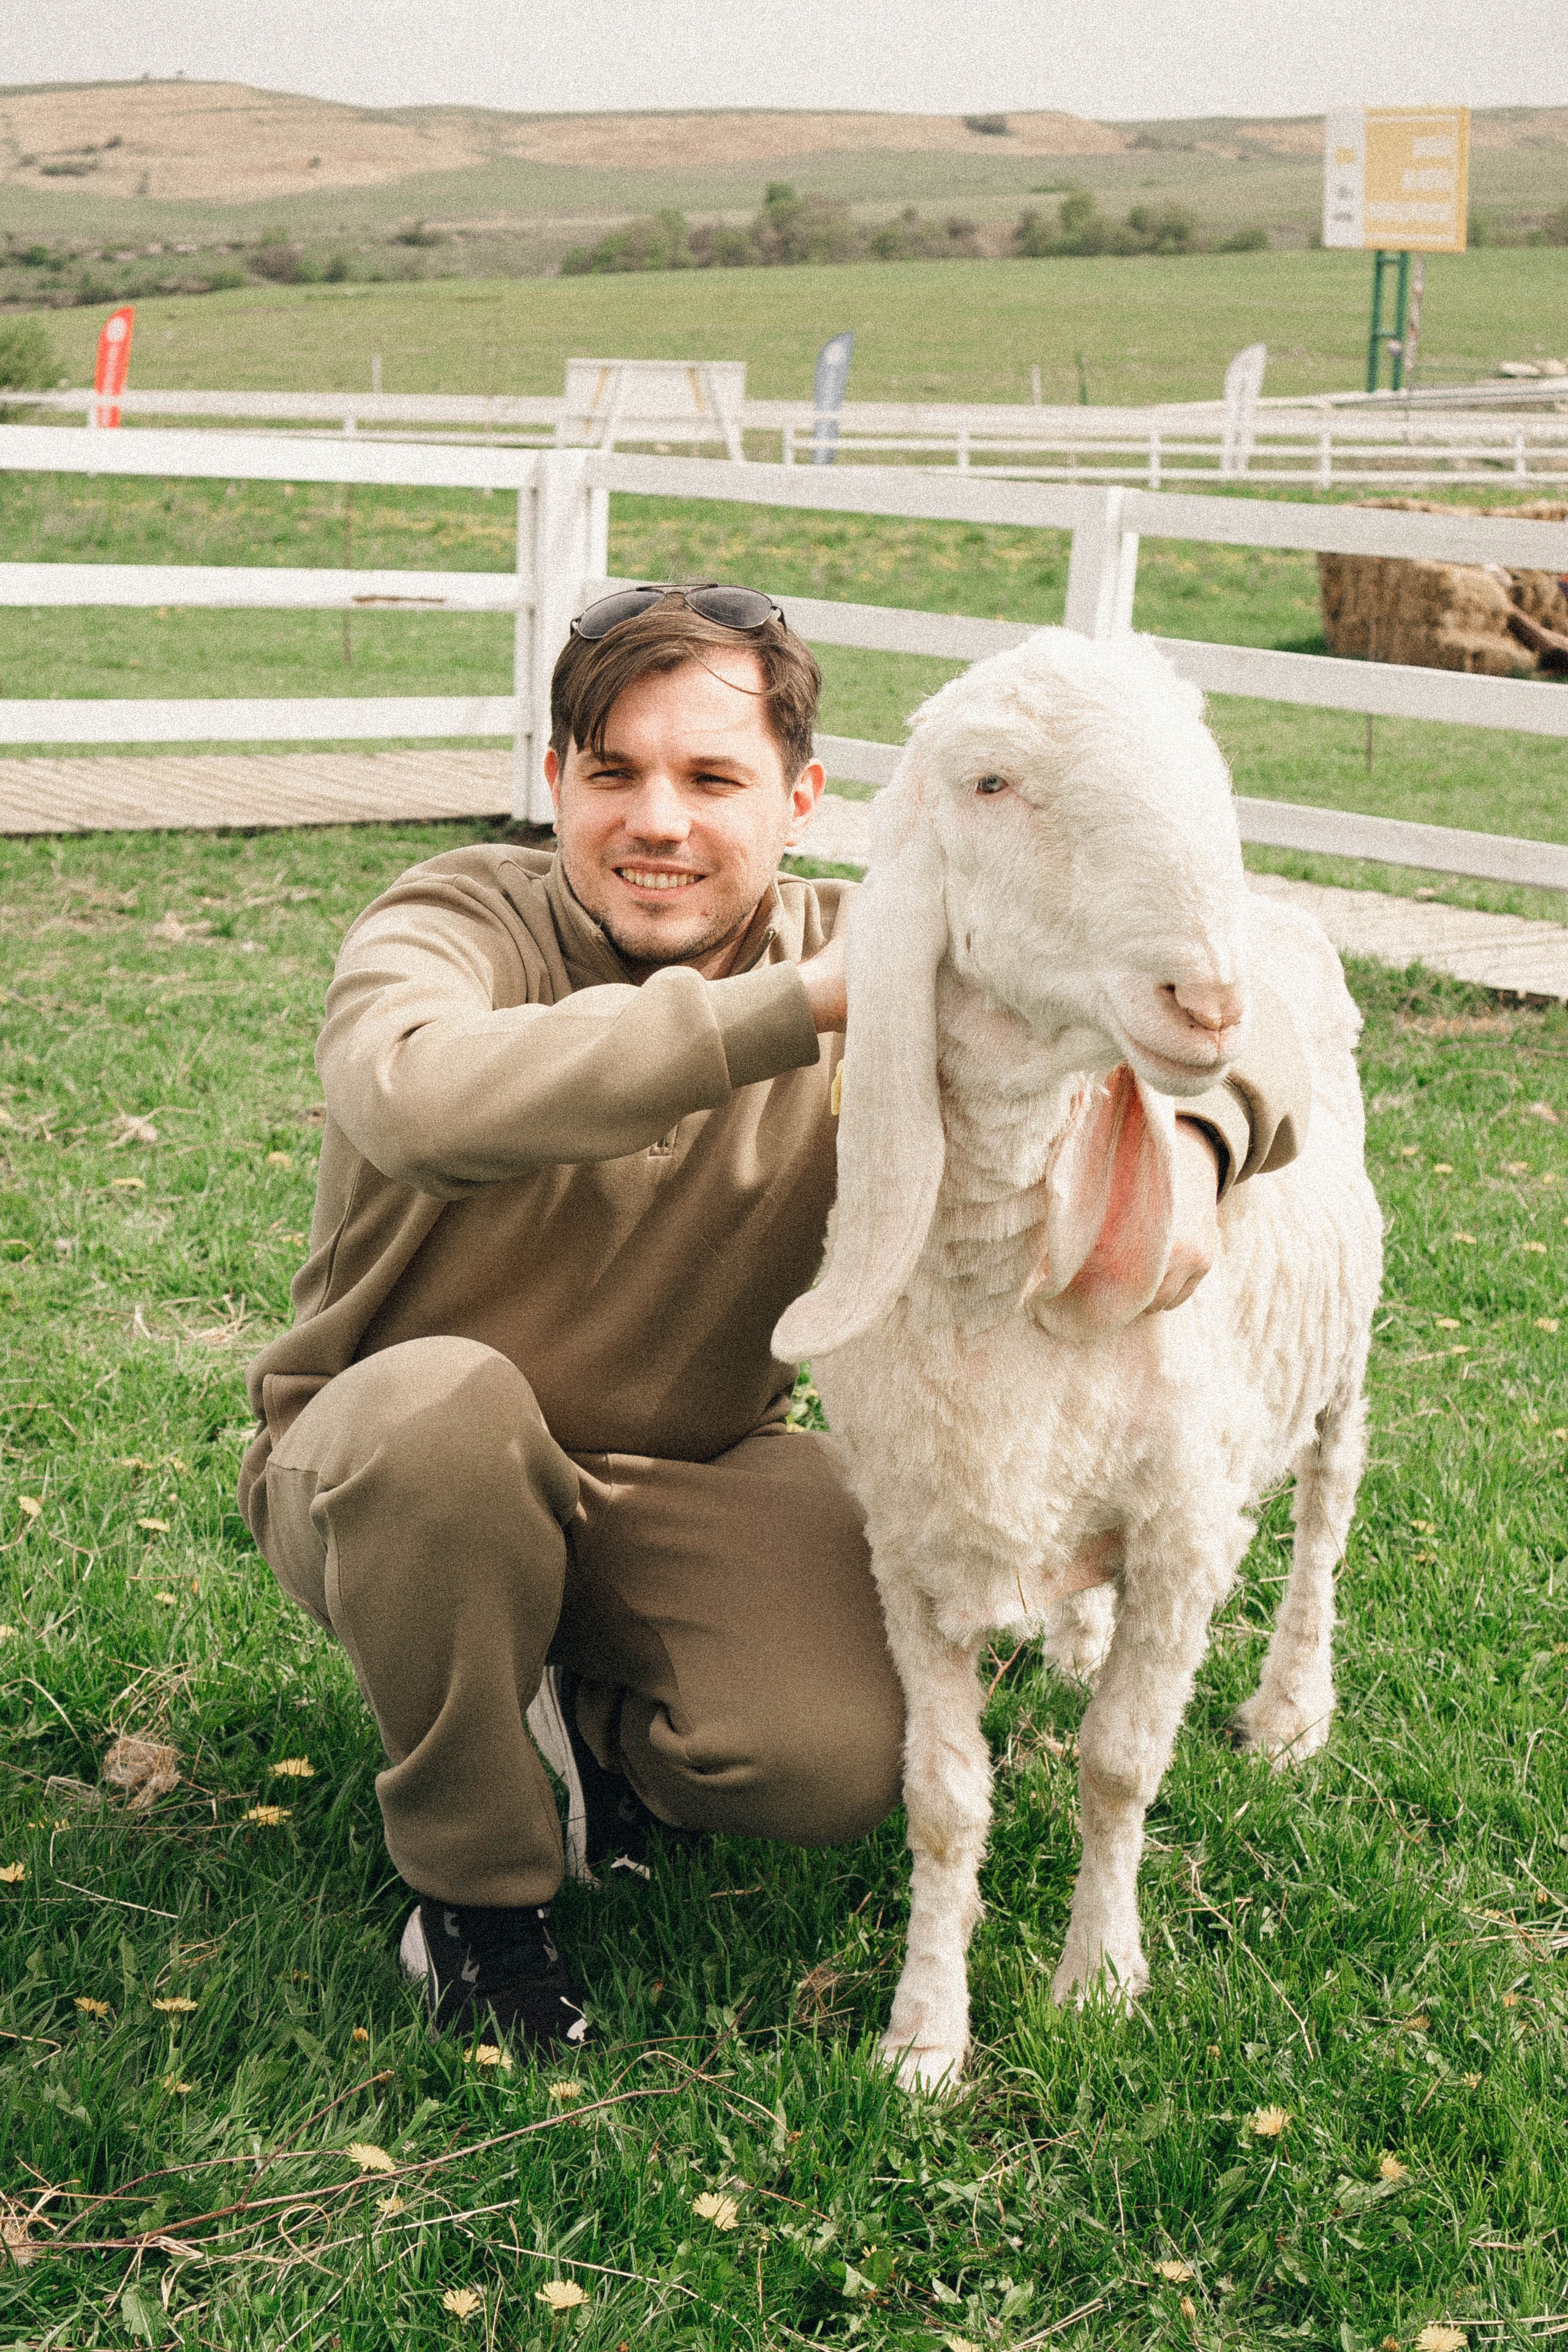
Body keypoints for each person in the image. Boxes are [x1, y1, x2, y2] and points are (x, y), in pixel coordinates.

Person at [238, 584, 1308, 2054]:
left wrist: (1200, 1144)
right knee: (441, 1422)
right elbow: (413, 1094)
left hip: (688, 1468)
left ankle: (588, 1715)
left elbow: (1217, 1021)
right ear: (555, 784)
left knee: (831, 1759)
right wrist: (802, 1005)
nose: (656, 820)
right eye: (610, 773)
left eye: (711, 778)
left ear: (802, 799)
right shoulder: (452, 919)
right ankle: (476, 1898)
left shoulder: (886, 936)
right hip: (390, 1466)